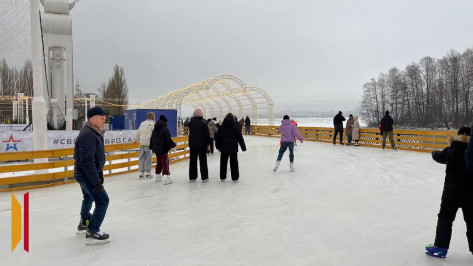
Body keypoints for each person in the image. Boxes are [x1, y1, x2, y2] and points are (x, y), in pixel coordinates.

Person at [426, 127, 473, 258]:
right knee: (472, 220)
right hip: (470, 193)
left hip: (451, 193)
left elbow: (438, 156)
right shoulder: (472, 152)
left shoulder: (451, 150)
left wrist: (433, 153)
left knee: (445, 217)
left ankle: (440, 247)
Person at [73, 107, 110, 245]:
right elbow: (87, 161)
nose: (104, 121)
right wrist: (96, 182)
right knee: (103, 201)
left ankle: (84, 223)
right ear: (92, 119)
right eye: (102, 118)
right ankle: (93, 231)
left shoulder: (93, 132)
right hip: (87, 175)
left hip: (84, 174)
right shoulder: (88, 135)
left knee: (88, 197)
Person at [215, 113, 247, 182]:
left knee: (223, 162)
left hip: (224, 148)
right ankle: (235, 177)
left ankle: (222, 177)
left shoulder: (222, 127)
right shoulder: (235, 127)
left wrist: (217, 146)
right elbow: (239, 137)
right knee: (234, 163)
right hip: (233, 148)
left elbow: (218, 137)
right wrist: (243, 147)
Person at [150, 115, 176, 184]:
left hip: (156, 149)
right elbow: (168, 139)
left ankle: (158, 175)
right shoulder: (165, 129)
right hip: (163, 148)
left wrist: (151, 148)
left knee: (159, 162)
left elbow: (152, 139)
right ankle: (166, 176)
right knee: (165, 162)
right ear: (165, 122)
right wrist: (173, 145)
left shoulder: (154, 129)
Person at [188, 109, 211, 182]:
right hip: (202, 145)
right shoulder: (203, 124)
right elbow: (207, 135)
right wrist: (208, 144)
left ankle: (192, 177)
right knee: (203, 161)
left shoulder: (191, 123)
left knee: (193, 161)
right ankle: (204, 177)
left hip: (193, 145)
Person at [135, 112, 155, 178]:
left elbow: (138, 132)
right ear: (152, 117)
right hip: (149, 144)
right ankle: (148, 173)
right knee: (148, 158)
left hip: (142, 143)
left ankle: (141, 173)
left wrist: (136, 139)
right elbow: (155, 134)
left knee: (141, 158)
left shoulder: (142, 123)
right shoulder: (153, 124)